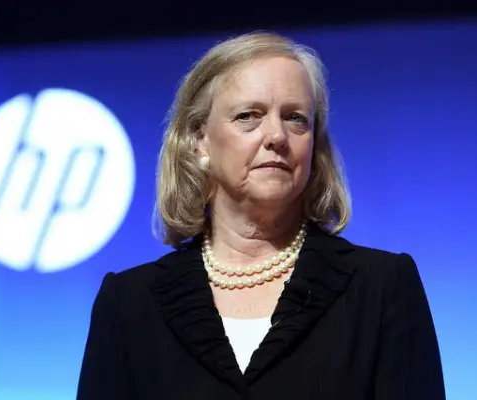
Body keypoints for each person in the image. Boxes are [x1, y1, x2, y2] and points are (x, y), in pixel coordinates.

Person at [76, 32, 446, 399]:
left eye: (296, 118)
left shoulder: (382, 288)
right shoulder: (128, 304)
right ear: (199, 139)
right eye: (249, 116)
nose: (277, 136)